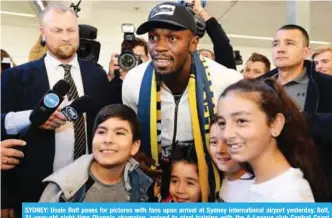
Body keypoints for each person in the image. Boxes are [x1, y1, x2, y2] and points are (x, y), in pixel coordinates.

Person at [122, 1, 243, 201]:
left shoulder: (226, 82)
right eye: (153, 37)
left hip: (209, 183)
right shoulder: (134, 81)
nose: (159, 47)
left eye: (172, 38)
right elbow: (131, 131)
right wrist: (134, 156)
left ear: (193, 44)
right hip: (155, 183)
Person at [1, 3, 110, 216]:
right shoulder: (16, 78)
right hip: (35, 191)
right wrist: (4, 197)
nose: (66, 37)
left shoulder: (97, 76)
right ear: (43, 34)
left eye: (71, 30)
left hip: (89, 189)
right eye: (57, 30)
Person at [217, 79, 328, 202]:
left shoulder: (288, 196)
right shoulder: (264, 183)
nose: (227, 134)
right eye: (222, 123)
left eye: (241, 121)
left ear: (275, 124)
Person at [261, 24, 332, 200]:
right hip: (265, 180)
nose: (281, 49)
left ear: (306, 52)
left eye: (290, 43)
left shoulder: (326, 86)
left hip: (315, 181)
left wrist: (304, 120)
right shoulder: (256, 87)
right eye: (276, 44)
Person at [39, 104, 153, 202]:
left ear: (134, 146)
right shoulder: (62, 190)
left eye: (119, 133)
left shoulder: (142, 183)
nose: (108, 139)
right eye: (102, 132)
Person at [209, 118, 253, 202]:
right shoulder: (223, 179)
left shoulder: (255, 190)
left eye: (228, 142)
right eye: (214, 142)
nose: (220, 150)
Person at [183, 0, 236, 69]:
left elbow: (223, 45)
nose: (202, 58)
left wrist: (200, 11)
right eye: (199, 57)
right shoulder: (185, 75)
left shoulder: (221, 75)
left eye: (206, 57)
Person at [108, 37, 150, 104]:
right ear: (122, 59)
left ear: (148, 58)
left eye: (138, 57)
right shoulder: (116, 84)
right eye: (130, 58)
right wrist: (109, 77)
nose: (134, 62)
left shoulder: (153, 80)